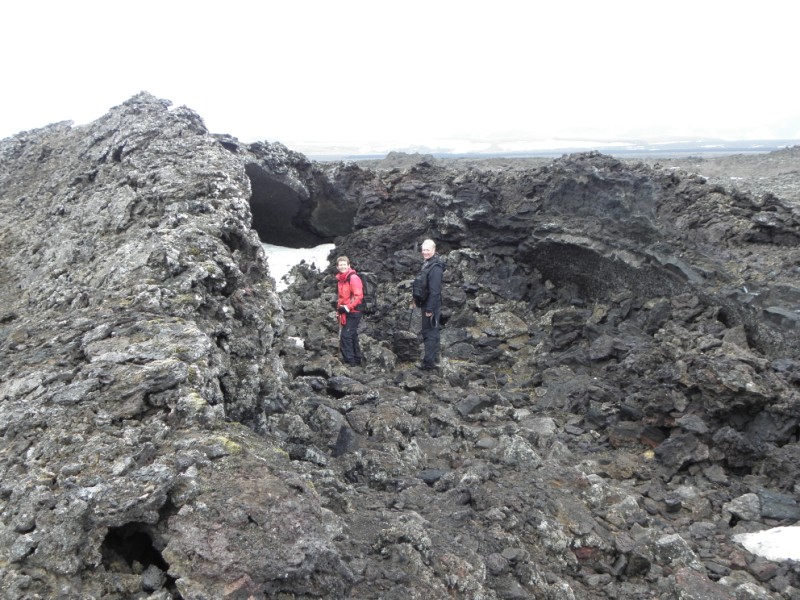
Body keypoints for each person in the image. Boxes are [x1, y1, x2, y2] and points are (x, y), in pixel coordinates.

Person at [411, 239, 445, 370]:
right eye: (423, 250)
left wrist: (430, 309)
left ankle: (429, 364)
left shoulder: (436, 268)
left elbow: (435, 291)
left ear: (434, 250)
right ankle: (434, 360)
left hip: (432, 305)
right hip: (425, 303)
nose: (425, 252)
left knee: (430, 333)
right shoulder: (427, 264)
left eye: (428, 250)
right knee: (430, 332)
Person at [335, 256, 364, 366]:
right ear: (337, 267)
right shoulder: (341, 280)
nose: (342, 266)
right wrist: (339, 311)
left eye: (344, 264)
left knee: (346, 335)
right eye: (340, 265)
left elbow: (358, 296)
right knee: (352, 335)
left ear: (348, 265)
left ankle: (350, 361)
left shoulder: (353, 278)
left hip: (354, 311)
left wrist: (347, 307)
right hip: (346, 312)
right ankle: (357, 359)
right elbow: (341, 298)